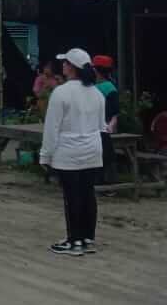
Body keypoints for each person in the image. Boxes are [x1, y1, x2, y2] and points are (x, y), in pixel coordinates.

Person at [40, 48, 105, 257]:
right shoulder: (97, 93)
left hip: (68, 152)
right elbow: (101, 126)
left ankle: (74, 241)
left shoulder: (61, 92)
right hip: (92, 150)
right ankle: (87, 238)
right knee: (88, 194)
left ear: (72, 67)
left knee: (72, 196)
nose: (63, 65)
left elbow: (52, 128)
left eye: (66, 63)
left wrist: (45, 155)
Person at [93, 55, 120, 184]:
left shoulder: (107, 88)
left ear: (96, 70)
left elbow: (113, 112)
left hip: (102, 129)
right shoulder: (106, 87)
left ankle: (105, 183)